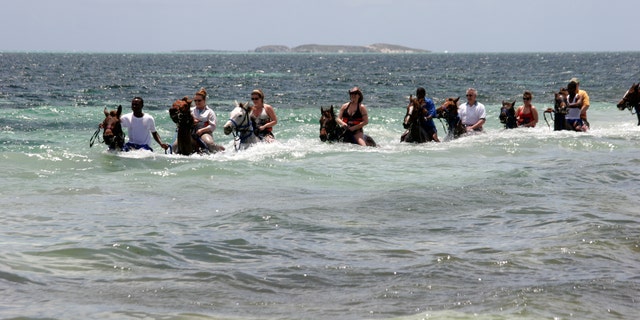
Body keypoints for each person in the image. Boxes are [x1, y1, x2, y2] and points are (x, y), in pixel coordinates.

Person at [192, 88, 225, 152]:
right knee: (176, 144)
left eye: (199, 100)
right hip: (191, 132)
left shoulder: (210, 112)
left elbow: (212, 126)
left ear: (204, 100)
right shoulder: (190, 110)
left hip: (204, 133)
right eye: (195, 100)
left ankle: (220, 150)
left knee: (209, 144)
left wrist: (201, 130)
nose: (197, 102)